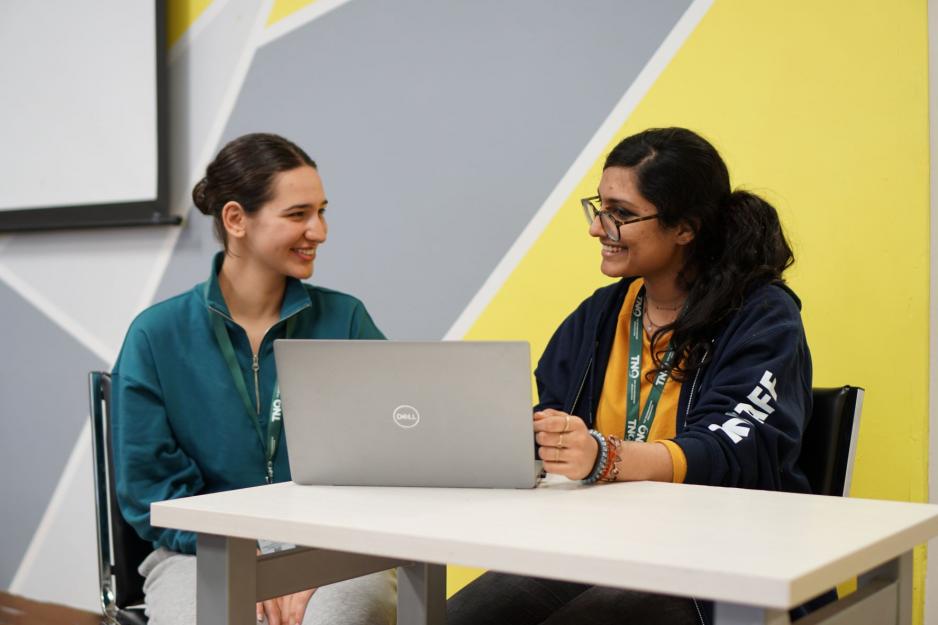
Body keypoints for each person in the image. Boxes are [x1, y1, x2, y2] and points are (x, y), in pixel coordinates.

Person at [448, 127, 816, 625]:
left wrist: (605, 456)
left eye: (621, 214)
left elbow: (731, 450)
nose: (598, 229)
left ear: (685, 228)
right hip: (599, 547)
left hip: (721, 563)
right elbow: (553, 415)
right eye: (600, 208)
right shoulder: (601, 314)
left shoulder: (763, 316)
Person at [112, 133, 396, 625]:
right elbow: (147, 487)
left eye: (322, 211)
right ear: (236, 219)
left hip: (333, 542)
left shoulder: (347, 321)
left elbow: (396, 448)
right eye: (298, 214)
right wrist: (239, 550)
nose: (320, 230)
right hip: (199, 550)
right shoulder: (156, 336)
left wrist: (321, 553)